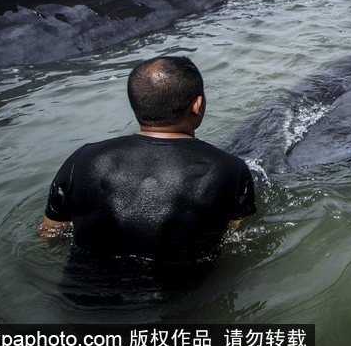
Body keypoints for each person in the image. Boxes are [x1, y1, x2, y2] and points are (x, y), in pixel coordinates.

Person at [38, 56, 256, 264]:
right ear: (197, 105)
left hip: (79, 294)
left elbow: (49, 236)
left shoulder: (82, 159)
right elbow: (236, 239)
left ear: (136, 104)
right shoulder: (229, 169)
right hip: (183, 295)